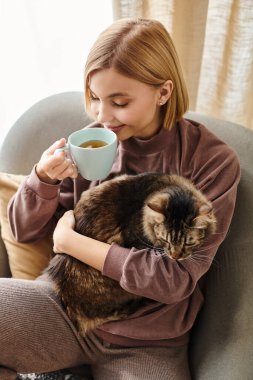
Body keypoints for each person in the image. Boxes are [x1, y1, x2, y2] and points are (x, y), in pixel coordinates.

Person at [0, 18, 240, 380]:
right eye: (95, 98)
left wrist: (71, 243)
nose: (102, 115)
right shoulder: (91, 141)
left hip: (147, 342)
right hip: (62, 306)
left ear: (163, 92)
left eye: (120, 102)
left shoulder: (210, 163)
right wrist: (44, 179)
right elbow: (21, 229)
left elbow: (173, 281)